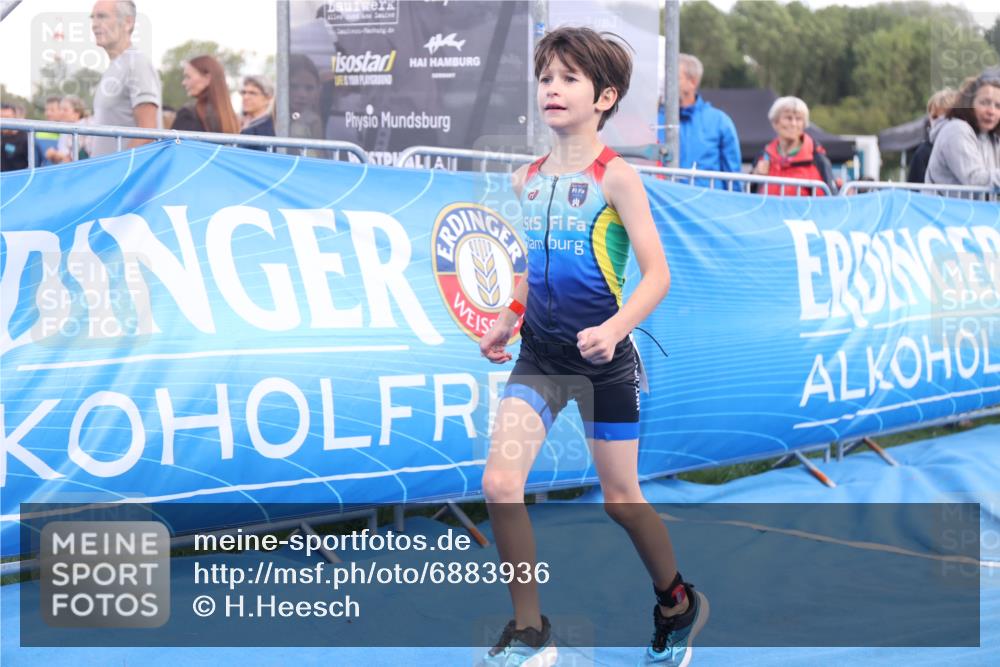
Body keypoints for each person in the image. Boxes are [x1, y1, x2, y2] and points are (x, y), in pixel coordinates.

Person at [476, 27, 708, 667]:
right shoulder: (524, 178)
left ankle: (676, 603)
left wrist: (614, 329)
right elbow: (527, 270)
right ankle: (530, 632)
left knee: (621, 501)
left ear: (604, 97)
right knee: (500, 484)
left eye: (569, 78)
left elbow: (658, 275)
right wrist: (505, 317)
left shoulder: (619, 178)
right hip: (541, 359)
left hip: (606, 362)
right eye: (546, 77)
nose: (552, 88)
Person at [658, 53, 741, 188]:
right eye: (665, 77)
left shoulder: (720, 122)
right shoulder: (655, 120)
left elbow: (733, 178)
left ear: (693, 82)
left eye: (674, 77)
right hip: (662, 206)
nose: (667, 83)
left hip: (704, 206)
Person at [89, 0, 161, 156]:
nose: (94, 24)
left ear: (128, 22)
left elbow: (148, 132)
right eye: (92, 17)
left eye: (102, 16)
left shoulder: (137, 63)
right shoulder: (115, 67)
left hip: (125, 177)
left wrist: (116, 170)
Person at [925, 73, 1000, 189]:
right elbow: (975, 180)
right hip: (946, 207)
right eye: (984, 103)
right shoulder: (956, 130)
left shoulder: (991, 137)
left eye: (998, 106)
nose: (991, 111)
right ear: (968, 103)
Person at [751, 96, 836, 196]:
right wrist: (755, 175)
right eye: (788, 118)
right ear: (775, 122)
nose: (793, 123)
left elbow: (831, 198)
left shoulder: (818, 159)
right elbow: (749, 194)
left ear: (804, 124)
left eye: (799, 119)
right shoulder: (764, 156)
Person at [172, 55, 241, 134]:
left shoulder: (188, 115)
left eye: (188, 77)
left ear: (207, 79)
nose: (183, 83)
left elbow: (173, 145)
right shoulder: (231, 119)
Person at [907, 88, 958, 183]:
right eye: (934, 117)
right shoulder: (923, 152)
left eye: (946, 117)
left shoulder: (968, 146)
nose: (939, 121)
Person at [45, 95, 93, 164]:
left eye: (65, 110)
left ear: (77, 113)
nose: (61, 112)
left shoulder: (86, 128)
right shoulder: (65, 129)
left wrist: (56, 154)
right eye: (60, 109)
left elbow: (81, 157)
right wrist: (54, 156)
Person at [1, 102, 42, 171]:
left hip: (19, 180)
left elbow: (36, 164)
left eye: (7, 118)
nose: (3, 122)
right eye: (1, 118)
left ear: (14, 118)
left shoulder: (27, 138)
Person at [239, 74, 275, 143]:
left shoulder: (270, 127)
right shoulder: (239, 123)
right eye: (244, 93)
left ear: (268, 97)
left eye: (252, 93)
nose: (245, 97)